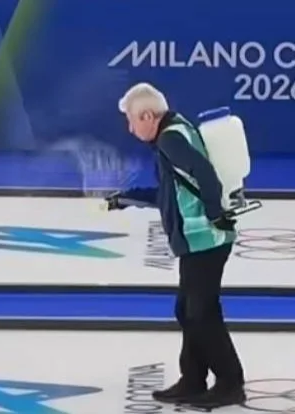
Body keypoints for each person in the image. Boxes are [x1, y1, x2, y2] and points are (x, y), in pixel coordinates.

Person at [104, 82, 247, 410]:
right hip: (199, 241)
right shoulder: (174, 132)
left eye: (131, 121)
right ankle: (193, 378)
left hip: (206, 240)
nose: (130, 129)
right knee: (190, 310)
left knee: (200, 312)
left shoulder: (170, 139)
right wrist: (125, 199)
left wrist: (215, 214)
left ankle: (230, 383)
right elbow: (170, 194)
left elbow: (205, 174)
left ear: (148, 116)